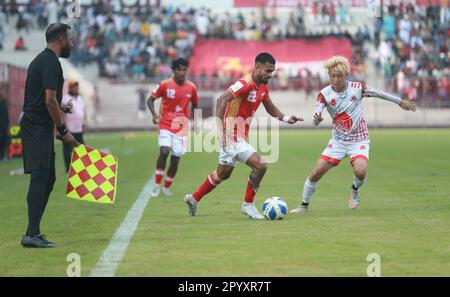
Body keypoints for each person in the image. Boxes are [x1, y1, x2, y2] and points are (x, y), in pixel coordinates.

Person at [290, 56, 416, 214]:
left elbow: (379, 93)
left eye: (339, 76)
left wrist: (399, 101)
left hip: (359, 139)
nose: (335, 79)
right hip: (338, 141)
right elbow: (316, 114)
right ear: (329, 75)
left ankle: (355, 189)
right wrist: (317, 120)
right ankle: (303, 206)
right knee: (316, 172)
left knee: (361, 171)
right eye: (332, 76)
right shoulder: (324, 94)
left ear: (346, 75)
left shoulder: (357, 88)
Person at [184, 52, 303, 220]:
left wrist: (286, 118)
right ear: (257, 67)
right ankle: (248, 205)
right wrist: (220, 131)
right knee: (261, 165)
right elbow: (221, 100)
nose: (270, 75)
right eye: (267, 71)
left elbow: (270, 107)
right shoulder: (244, 84)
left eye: (272, 72)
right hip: (231, 134)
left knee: (223, 174)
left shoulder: (262, 86)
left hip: (239, 136)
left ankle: (194, 198)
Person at [20, 23, 79, 248]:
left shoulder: (44, 61)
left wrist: (61, 109)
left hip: (39, 127)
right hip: (35, 127)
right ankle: (31, 234)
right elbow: (48, 100)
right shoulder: (50, 62)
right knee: (40, 176)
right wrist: (63, 131)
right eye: (70, 39)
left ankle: (32, 231)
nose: (71, 43)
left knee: (49, 178)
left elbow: (44, 98)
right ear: (62, 38)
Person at [147, 58, 199, 197]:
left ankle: (166, 186)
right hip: (165, 124)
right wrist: (154, 115)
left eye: (184, 70)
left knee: (176, 159)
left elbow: (195, 105)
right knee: (164, 152)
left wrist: (196, 123)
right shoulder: (164, 84)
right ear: (173, 70)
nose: (181, 72)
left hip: (181, 127)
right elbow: (150, 100)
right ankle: (156, 185)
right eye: (179, 69)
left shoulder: (191, 87)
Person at [62, 80, 86, 172]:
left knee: (81, 149)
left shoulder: (80, 98)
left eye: (77, 87)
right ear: (70, 88)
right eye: (74, 87)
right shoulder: (65, 98)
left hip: (78, 129)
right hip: (69, 129)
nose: (76, 89)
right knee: (67, 150)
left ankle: (81, 167)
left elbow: (83, 111)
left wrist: (84, 122)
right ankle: (68, 168)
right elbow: (62, 113)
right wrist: (64, 127)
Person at [0, 95, 9, 160]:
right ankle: (3, 156)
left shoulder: (3, 104)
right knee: (4, 141)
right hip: (4, 125)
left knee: (4, 141)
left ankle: (3, 156)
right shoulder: (4, 104)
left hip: (3, 125)